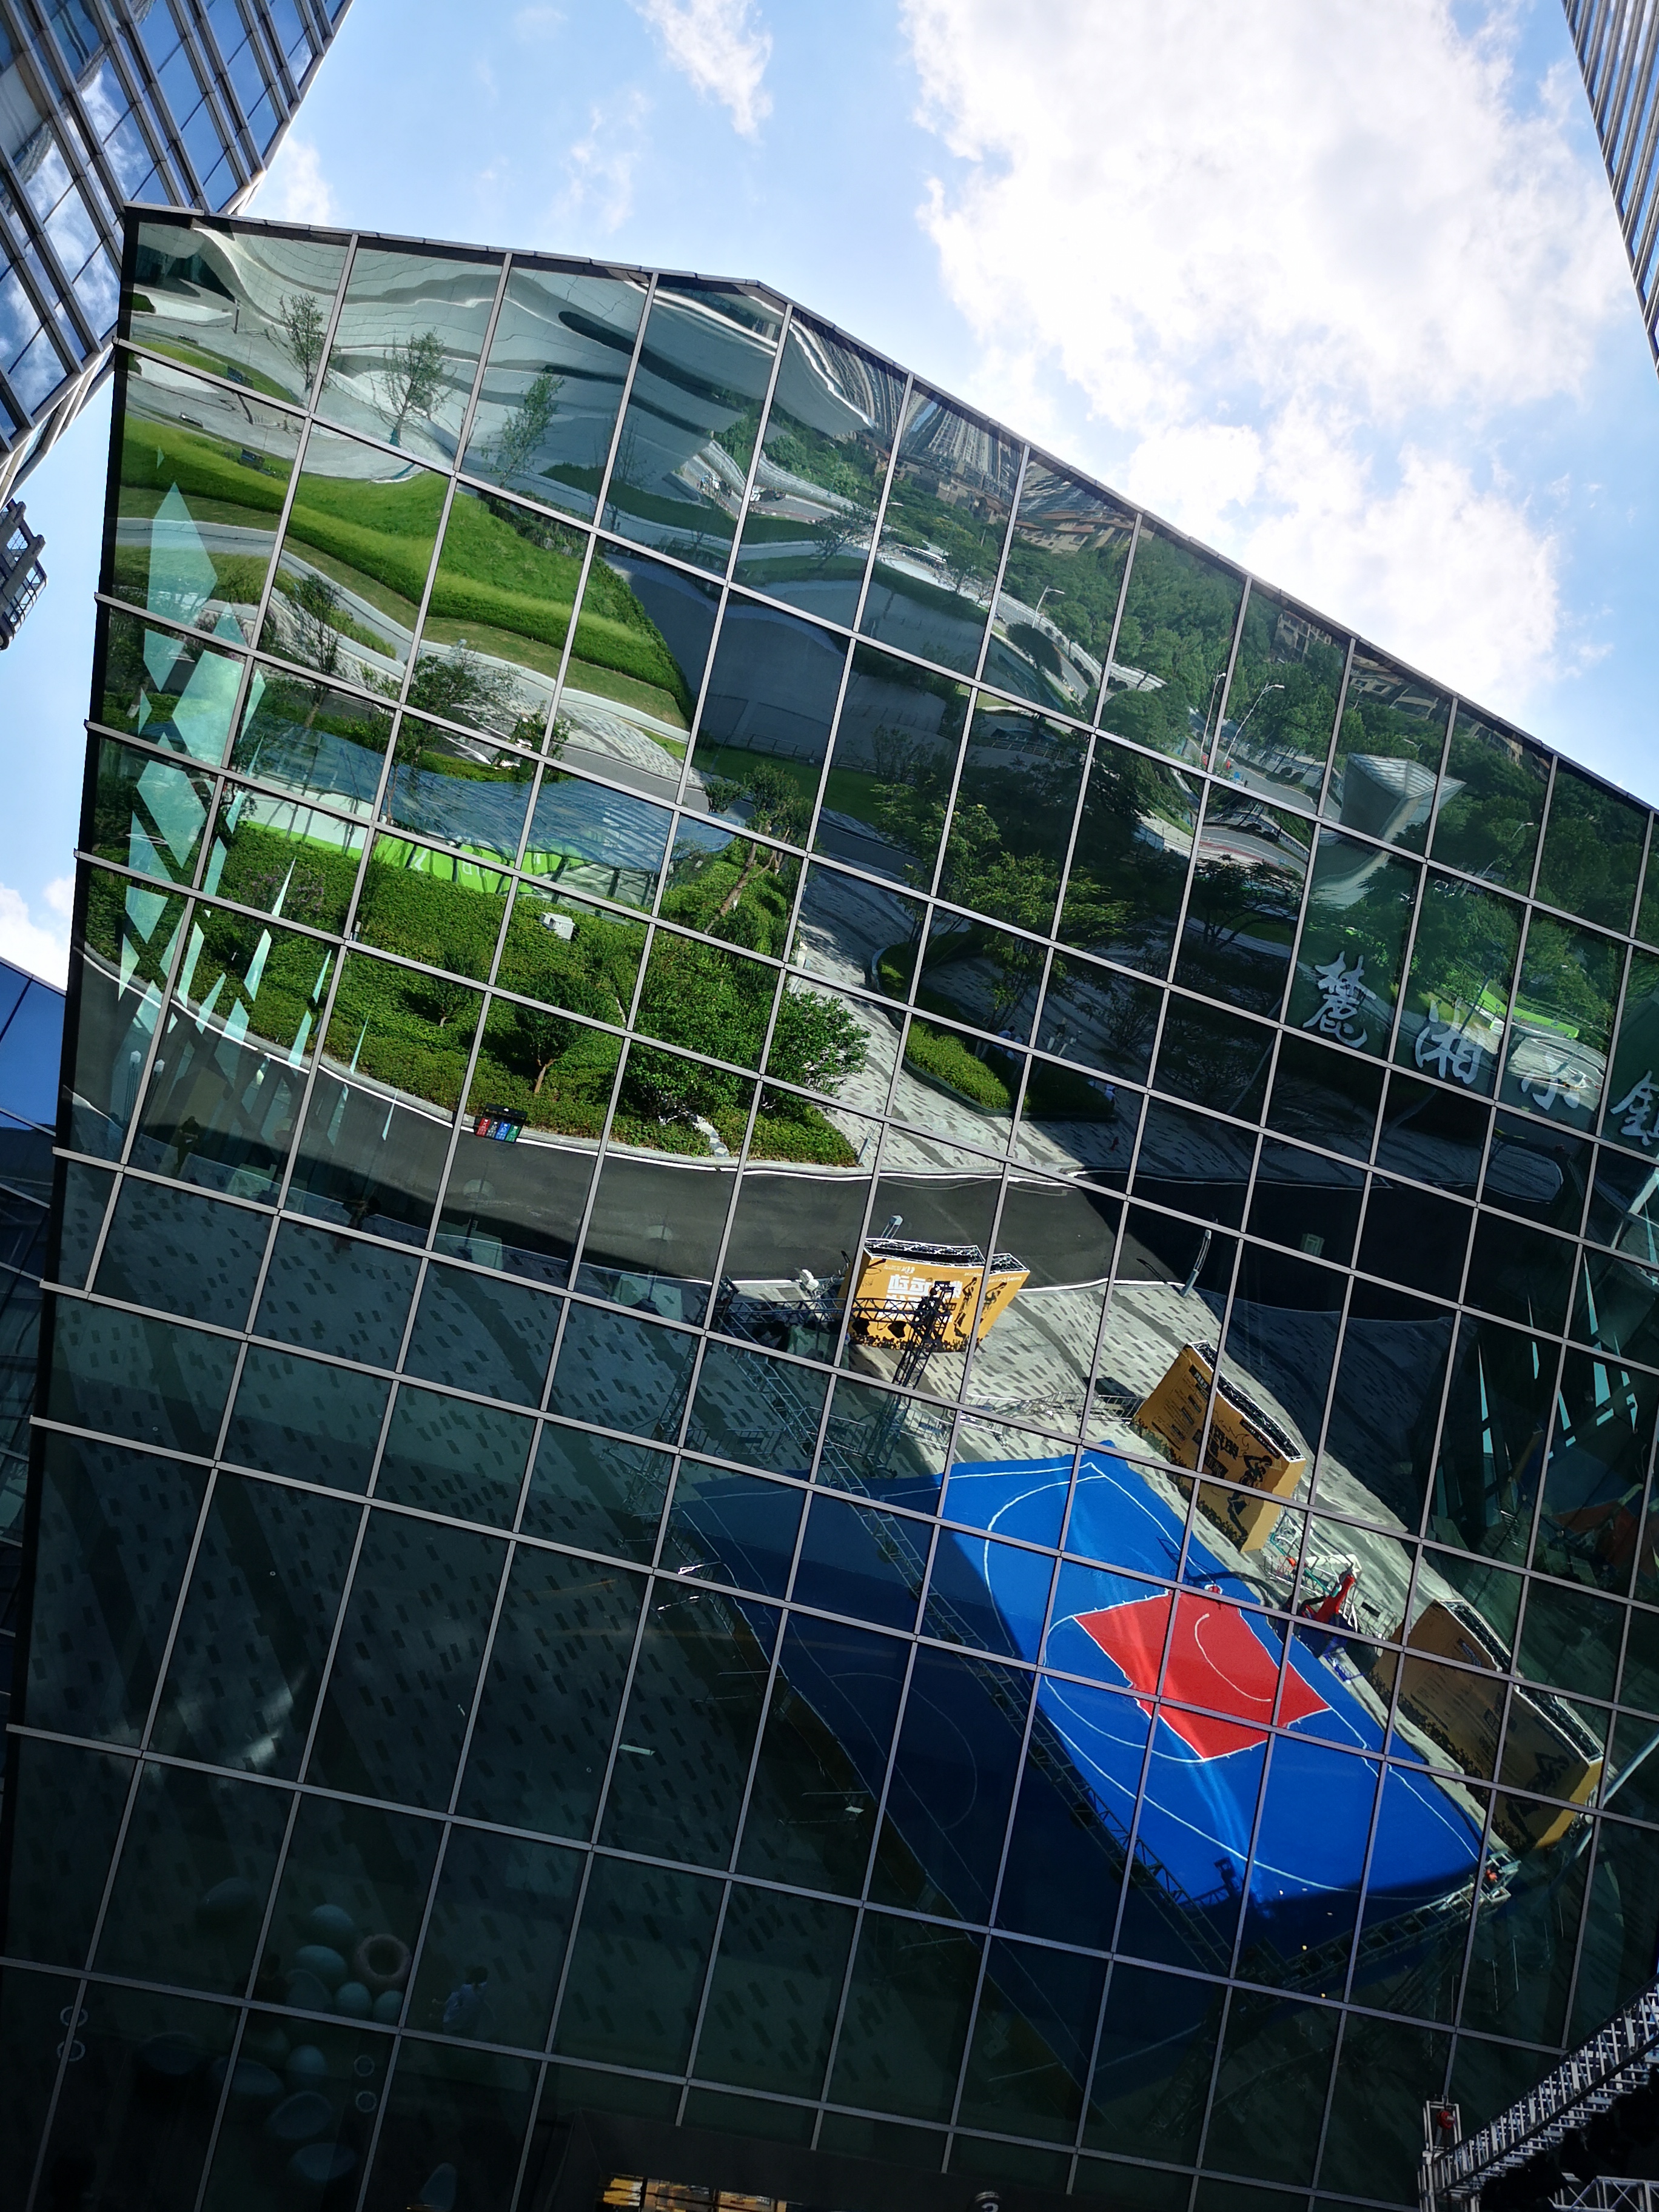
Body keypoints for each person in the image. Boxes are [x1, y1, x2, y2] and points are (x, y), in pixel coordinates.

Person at [442, 1965, 490, 2037]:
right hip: (467, 2029)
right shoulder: (483, 1994)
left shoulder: (465, 1989)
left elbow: (458, 2004)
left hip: (452, 2024)